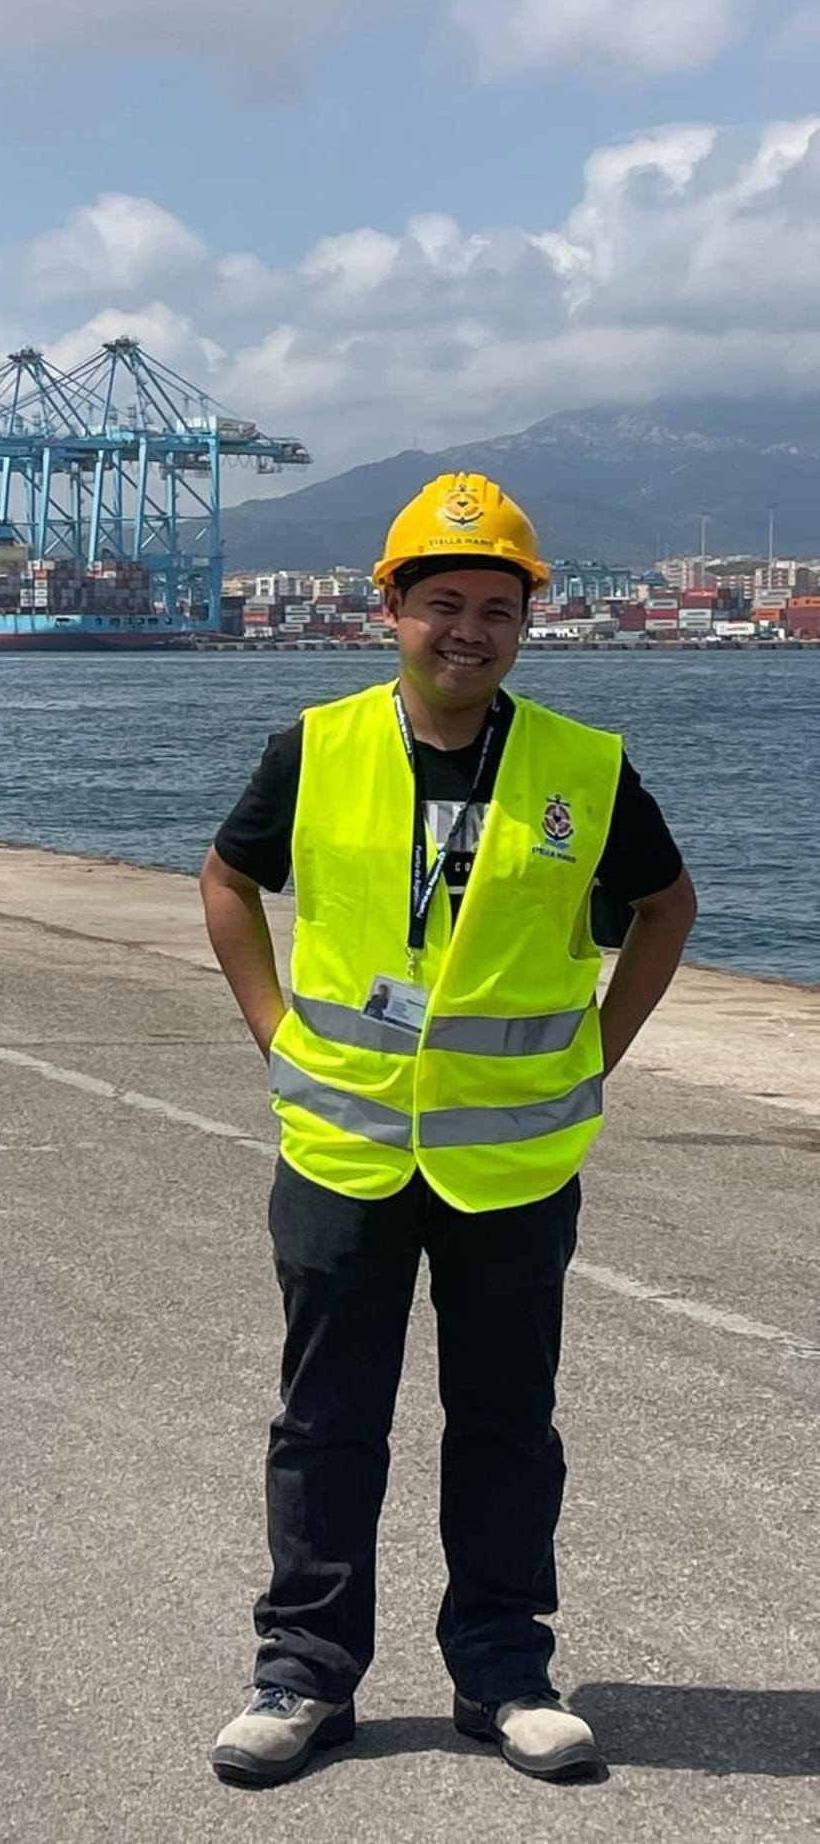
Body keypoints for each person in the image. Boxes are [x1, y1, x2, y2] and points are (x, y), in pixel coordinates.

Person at [200, 472, 696, 1788]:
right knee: (326, 1420)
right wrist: (278, 1033)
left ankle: (505, 1672)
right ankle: (303, 1675)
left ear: (526, 623)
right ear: (390, 610)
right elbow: (229, 877)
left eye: (495, 608)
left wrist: (594, 1054)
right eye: (441, 604)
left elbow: (666, 905)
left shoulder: (582, 767)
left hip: (512, 1164)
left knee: (505, 1422)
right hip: (345, 1148)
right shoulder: (315, 747)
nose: (466, 630)